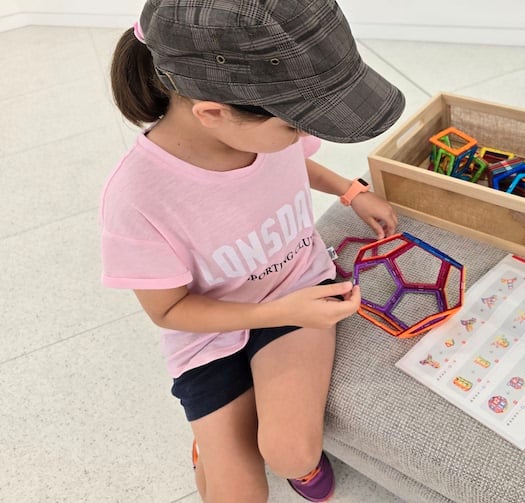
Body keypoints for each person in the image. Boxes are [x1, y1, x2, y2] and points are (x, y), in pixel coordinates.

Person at [101, 0, 405, 501]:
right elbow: (170, 310)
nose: (304, 136)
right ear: (213, 114)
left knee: (292, 454)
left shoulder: (266, 135)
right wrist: (276, 311)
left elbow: (293, 161)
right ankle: (209, 448)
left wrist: (351, 190)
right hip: (210, 336)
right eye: (295, 125)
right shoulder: (136, 198)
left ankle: (290, 463)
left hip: (298, 291)